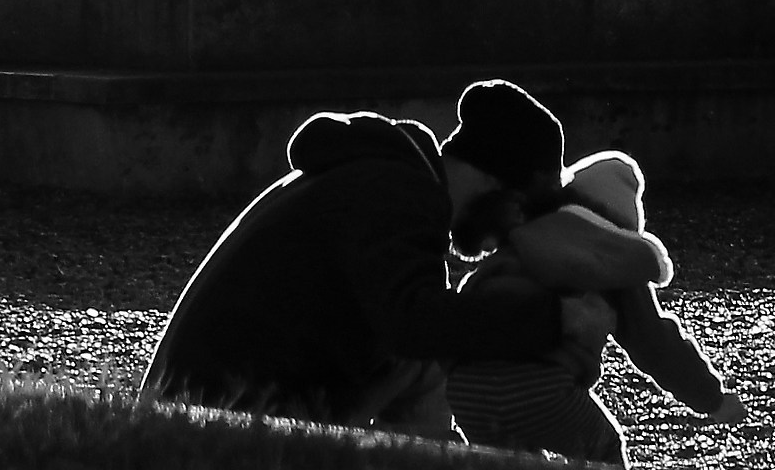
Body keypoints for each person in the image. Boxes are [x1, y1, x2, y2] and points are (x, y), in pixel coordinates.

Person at [141, 81, 613, 432]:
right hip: (220, 420)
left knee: (425, 368)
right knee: (427, 361)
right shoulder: (397, 194)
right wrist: (556, 319)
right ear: (499, 184)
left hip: (215, 400)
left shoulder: (385, 182)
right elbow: (414, 324)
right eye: (525, 211)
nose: (515, 233)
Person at [449, 147, 745, 467]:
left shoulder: (527, 240)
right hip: (538, 389)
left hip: (467, 390)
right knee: (602, 457)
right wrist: (710, 398)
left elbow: (469, 302)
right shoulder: (612, 258)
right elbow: (653, 343)